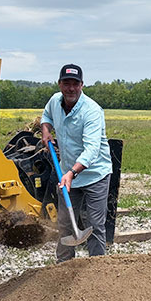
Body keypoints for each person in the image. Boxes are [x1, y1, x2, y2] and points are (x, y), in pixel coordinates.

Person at [41, 64, 112, 262]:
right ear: (59, 84)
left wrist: (72, 172)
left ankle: (97, 268)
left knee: (95, 224)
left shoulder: (91, 111)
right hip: (67, 173)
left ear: (82, 85)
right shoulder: (55, 101)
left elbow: (91, 150)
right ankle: (64, 266)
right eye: (66, 83)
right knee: (64, 224)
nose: (70, 88)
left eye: (75, 84)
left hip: (95, 174)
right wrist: (45, 130)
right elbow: (46, 116)